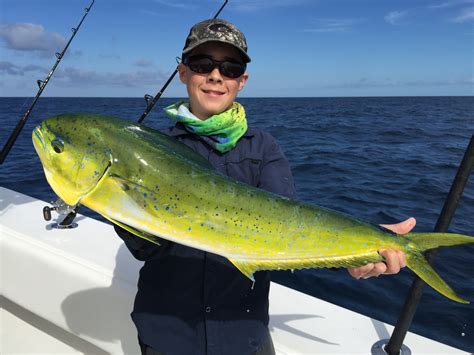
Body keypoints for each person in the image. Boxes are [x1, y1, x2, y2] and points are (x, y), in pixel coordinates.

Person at [114, 18, 414, 355]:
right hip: (167, 333)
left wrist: (357, 251)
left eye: (230, 68)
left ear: (242, 81)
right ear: (183, 73)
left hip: (242, 335)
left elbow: (288, 229)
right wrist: (115, 197)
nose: (216, 75)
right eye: (203, 64)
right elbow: (145, 249)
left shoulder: (263, 148)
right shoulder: (151, 151)